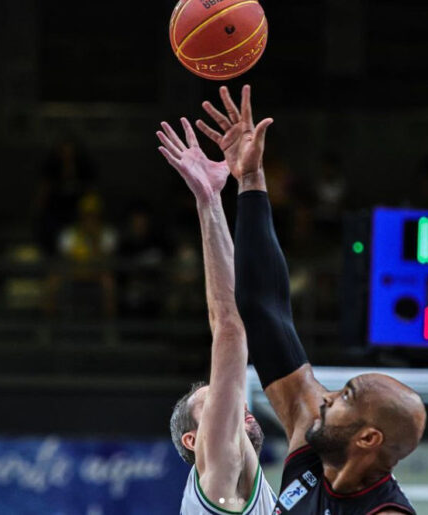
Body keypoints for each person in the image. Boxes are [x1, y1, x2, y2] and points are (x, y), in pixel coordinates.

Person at [195, 85, 426, 514]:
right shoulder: (314, 439)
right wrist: (250, 180)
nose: (328, 398)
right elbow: (265, 312)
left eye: (345, 397)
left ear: (368, 439)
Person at [158, 117, 277, 514]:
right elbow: (229, 327)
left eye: (224, 400)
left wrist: (212, 201)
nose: (236, 401)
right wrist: (209, 200)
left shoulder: (235, 486)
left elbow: (232, 320)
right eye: (222, 400)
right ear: (195, 442)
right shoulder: (219, 480)